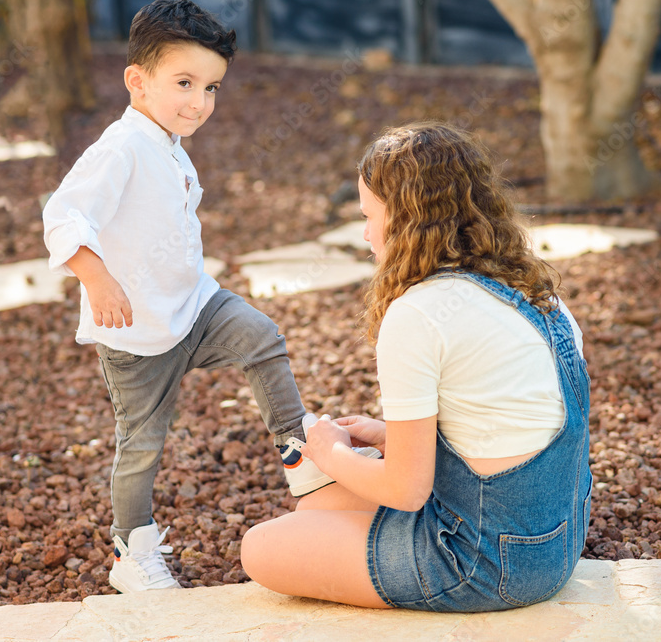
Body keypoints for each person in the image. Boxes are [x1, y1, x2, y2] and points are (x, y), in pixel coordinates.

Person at [42, 0, 375, 594]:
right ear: (137, 81)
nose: (199, 102)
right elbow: (63, 216)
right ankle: (131, 552)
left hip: (195, 305)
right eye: (184, 83)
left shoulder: (168, 141)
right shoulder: (120, 147)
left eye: (211, 87)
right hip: (137, 333)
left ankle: (299, 454)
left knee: (260, 336)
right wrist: (96, 278)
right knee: (141, 444)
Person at [241, 122, 593, 612]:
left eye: (369, 216)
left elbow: (405, 491)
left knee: (261, 548)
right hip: (557, 542)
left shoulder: (419, 313)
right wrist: (391, 435)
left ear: (407, 218)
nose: (366, 234)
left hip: (483, 563)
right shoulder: (535, 293)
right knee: (317, 505)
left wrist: (330, 452)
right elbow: (505, 421)